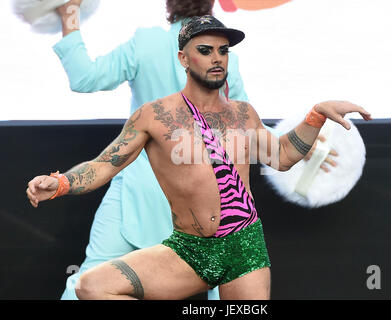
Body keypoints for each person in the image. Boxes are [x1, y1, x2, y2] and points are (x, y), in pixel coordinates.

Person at [27, 15, 372, 300]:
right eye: (205, 50)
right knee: (91, 286)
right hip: (189, 250)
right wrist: (59, 183)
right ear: (183, 58)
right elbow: (105, 164)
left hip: (244, 247)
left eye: (223, 51)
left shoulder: (243, 114)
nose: (217, 58)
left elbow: (281, 156)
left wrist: (316, 115)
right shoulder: (154, 115)